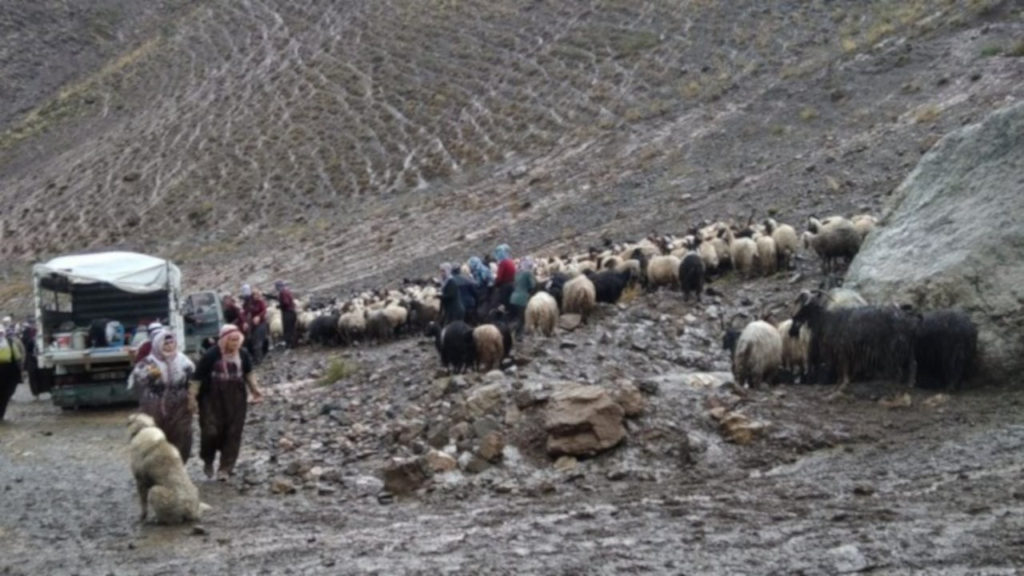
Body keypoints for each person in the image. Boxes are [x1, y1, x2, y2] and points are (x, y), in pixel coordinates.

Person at [191, 324, 263, 481]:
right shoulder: (211, 355)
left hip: (236, 399)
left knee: (233, 433)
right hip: (211, 399)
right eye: (232, 340)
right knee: (210, 432)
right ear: (224, 340)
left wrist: (255, 390)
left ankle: (225, 468)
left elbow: (248, 373)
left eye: (237, 340)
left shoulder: (243, 354)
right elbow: (196, 378)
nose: (235, 343)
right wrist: (192, 400)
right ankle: (208, 460)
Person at [128, 329, 196, 462]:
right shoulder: (148, 362)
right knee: (155, 436)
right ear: (158, 345)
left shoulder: (184, 361)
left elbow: (194, 380)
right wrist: (148, 376)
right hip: (154, 405)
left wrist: (193, 399)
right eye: (165, 344)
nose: (169, 347)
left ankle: (179, 465)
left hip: (179, 405)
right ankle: (157, 467)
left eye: (172, 343)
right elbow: (136, 380)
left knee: (182, 434)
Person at [0, 325, 25, 421]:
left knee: (5, 395)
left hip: (8, 372)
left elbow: (18, 357)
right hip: (7, 372)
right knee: (4, 395)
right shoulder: (10, 343)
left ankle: (1, 415)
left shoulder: (10, 343)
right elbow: (18, 358)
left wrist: (21, 370)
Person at [509, 256, 537, 338]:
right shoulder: (528, 273)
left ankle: (512, 332)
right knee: (522, 318)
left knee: (516, 317)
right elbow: (533, 285)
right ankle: (518, 335)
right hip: (523, 298)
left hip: (513, 297)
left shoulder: (517, 272)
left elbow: (514, 284)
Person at [243, 287, 268, 365]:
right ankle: (256, 358)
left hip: (261, 324)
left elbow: (264, 310)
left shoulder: (261, 302)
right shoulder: (250, 303)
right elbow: (245, 312)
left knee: (258, 341)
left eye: (257, 294)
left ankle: (259, 360)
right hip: (253, 325)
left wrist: (259, 317)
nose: (256, 296)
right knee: (252, 340)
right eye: (255, 295)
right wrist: (244, 322)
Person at [276, 280, 297, 349]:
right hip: (292, 311)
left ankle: (289, 345)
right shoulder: (287, 291)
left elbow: (286, 303)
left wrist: (279, 306)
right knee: (292, 329)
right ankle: (293, 344)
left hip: (287, 313)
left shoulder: (282, 293)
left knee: (287, 329)